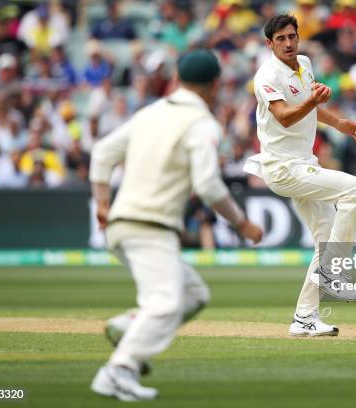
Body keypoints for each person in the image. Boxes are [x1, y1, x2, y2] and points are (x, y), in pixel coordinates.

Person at [89, 49, 263, 401]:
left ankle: (130, 327)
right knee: (166, 303)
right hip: (149, 225)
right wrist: (242, 224)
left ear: (177, 80)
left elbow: (102, 153)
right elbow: (208, 185)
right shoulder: (202, 124)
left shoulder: (149, 113)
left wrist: (104, 203)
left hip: (123, 224)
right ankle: (119, 370)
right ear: (215, 85)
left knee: (194, 294)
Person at [244, 15, 356, 338]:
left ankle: (304, 317)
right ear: (269, 44)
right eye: (281, 39)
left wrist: (339, 122)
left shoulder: (304, 63)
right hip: (284, 168)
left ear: (298, 38)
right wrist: (313, 100)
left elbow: (309, 107)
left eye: (292, 37)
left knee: (324, 239)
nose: (288, 43)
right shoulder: (267, 75)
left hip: (303, 162)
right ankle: (333, 273)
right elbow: (285, 116)